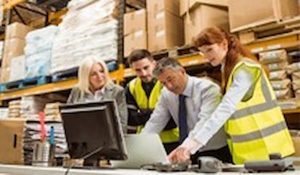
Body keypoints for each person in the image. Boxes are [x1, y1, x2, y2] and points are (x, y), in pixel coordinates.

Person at [168, 26, 295, 164]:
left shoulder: (244, 70)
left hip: (269, 150)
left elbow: (225, 108)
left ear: (224, 44)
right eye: (203, 52)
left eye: (210, 50)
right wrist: (187, 145)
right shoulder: (228, 69)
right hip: (249, 152)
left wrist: (191, 146)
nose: (207, 56)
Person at [142, 56, 231, 164]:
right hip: (187, 152)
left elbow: (205, 122)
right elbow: (156, 121)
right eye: (163, 83)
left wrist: (185, 147)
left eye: (170, 79)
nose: (169, 86)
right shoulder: (166, 94)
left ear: (182, 71)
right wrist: (141, 144)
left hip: (215, 150)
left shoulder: (207, 89)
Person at [125, 49, 179, 154]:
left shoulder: (167, 83)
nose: (143, 73)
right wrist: (158, 114)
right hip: (146, 142)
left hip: (173, 142)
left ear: (154, 64)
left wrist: (142, 114)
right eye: (138, 70)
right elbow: (130, 119)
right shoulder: (131, 87)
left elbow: (172, 120)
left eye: (146, 68)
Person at [67, 57, 128, 133]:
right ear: (86, 77)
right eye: (94, 74)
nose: (100, 76)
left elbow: (122, 124)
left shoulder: (117, 92)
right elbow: (68, 120)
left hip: (108, 139)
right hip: (82, 138)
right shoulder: (77, 91)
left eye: (101, 71)